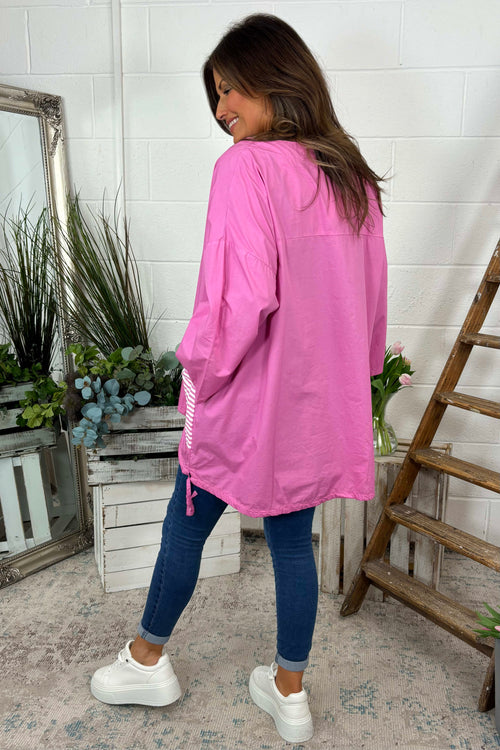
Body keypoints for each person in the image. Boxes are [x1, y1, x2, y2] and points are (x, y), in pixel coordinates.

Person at [90, 13, 387, 744]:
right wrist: (357, 378)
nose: (221, 108)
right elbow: (371, 296)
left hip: (246, 397)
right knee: (290, 539)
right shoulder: (351, 176)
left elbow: (240, 301)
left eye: (230, 89)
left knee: (187, 518)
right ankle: (290, 693)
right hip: (315, 406)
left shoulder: (245, 168)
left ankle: (147, 659)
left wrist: (198, 368)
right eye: (216, 93)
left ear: (274, 79)